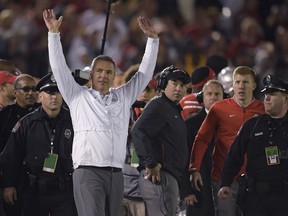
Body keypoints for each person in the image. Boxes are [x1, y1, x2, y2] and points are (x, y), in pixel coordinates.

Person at [43, 9, 159, 216]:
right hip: (88, 171)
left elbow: (144, 74)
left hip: (116, 173)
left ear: (115, 76)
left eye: (108, 72)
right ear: (91, 74)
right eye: (99, 71)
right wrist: (53, 34)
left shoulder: (123, 97)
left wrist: (152, 42)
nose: (103, 76)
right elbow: (59, 67)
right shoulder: (77, 96)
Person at [189, 66, 265, 216]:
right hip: (223, 177)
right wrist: (194, 168)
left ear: (254, 85)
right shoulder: (218, 109)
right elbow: (202, 138)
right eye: (237, 82)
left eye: (245, 82)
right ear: (232, 85)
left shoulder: (263, 111)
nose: (241, 86)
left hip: (254, 180)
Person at [0, 73, 77, 216]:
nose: (54, 97)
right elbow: (11, 155)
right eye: (49, 92)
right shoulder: (27, 123)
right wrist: (8, 185)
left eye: (58, 92)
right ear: (40, 96)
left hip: (65, 190)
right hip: (34, 190)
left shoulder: (74, 121)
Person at [131, 66, 197, 216]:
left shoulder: (172, 108)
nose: (178, 88)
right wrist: (151, 163)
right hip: (160, 177)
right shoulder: (159, 105)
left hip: (169, 178)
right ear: (163, 84)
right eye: (174, 83)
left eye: (182, 85)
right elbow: (138, 131)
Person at [218, 75, 288, 216]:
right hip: (256, 199)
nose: (266, 98)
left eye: (272, 94)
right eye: (265, 94)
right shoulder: (252, 125)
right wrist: (225, 182)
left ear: (286, 98)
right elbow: (234, 156)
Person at [0, 74, 39, 216]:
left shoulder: (44, 113)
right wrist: (7, 184)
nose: (30, 93)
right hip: (16, 180)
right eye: (26, 89)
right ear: (15, 92)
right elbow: (6, 154)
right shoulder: (5, 116)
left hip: (39, 182)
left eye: (34, 89)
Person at [121, 66, 158, 216]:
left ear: (156, 92)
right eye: (141, 89)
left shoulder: (161, 117)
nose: (144, 93)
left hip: (148, 190)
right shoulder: (120, 114)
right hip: (122, 189)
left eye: (149, 89)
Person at [185, 79, 225, 216]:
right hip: (199, 189)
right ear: (203, 97)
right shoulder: (190, 124)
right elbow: (184, 158)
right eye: (209, 94)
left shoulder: (232, 122)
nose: (213, 97)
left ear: (223, 97)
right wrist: (187, 190)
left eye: (217, 94)